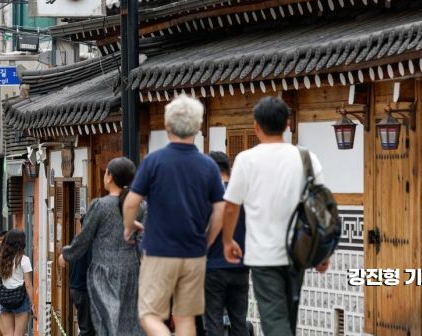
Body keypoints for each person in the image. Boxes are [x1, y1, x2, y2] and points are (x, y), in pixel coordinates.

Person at [222, 97, 330, 336]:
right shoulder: (307, 159)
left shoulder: (246, 160)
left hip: (264, 255)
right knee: (287, 318)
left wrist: (228, 241)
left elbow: (230, 207)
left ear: (256, 127)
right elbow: (323, 208)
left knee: (274, 319)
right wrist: (323, 251)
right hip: (299, 253)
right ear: (288, 124)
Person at [123, 95, 224, 336]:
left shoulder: (154, 161)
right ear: (199, 128)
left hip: (159, 250)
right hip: (195, 252)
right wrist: (208, 240)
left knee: (149, 314)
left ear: (167, 127)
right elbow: (221, 208)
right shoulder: (209, 166)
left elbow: (131, 202)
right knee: (185, 318)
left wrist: (130, 225)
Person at [59, 157, 144, 336]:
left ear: (109, 176)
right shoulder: (140, 206)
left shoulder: (100, 206)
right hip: (132, 272)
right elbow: (145, 240)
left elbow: (84, 238)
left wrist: (66, 254)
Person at [201, 151, 249, 336]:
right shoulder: (243, 196)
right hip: (241, 265)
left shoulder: (207, 196)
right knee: (239, 321)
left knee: (213, 321)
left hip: (213, 266)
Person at [0, 230, 33, 336]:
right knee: (19, 334)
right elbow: (28, 284)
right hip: (21, 298)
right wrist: (33, 303)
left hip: (4, 297)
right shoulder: (24, 259)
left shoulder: (1, 259)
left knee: (8, 334)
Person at [66, 222, 93, 336]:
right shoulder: (89, 243)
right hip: (83, 289)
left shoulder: (76, 241)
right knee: (87, 329)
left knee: (87, 328)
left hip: (75, 288)